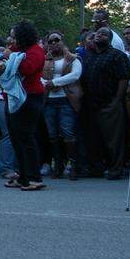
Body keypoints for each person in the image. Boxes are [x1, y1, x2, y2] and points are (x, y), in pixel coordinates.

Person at [0, 21, 46, 190]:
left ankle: (35, 177)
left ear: (22, 36)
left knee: (26, 137)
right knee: (15, 138)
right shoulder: (18, 51)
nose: (10, 39)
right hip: (13, 98)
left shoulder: (36, 51)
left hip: (30, 98)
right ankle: (23, 176)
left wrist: (9, 56)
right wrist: (8, 56)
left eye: (13, 36)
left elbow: (26, 69)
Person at [81, 27, 130, 179]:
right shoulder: (89, 56)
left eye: (103, 34)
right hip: (91, 103)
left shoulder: (117, 55)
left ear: (109, 39)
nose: (99, 35)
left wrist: (117, 99)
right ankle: (95, 168)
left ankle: (116, 168)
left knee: (113, 139)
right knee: (93, 138)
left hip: (109, 102)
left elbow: (123, 78)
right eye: (97, 33)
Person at [41, 31, 82, 179]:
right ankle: (57, 164)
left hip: (66, 99)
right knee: (52, 135)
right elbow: (38, 76)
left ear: (62, 41)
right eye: (50, 41)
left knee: (68, 134)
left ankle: (72, 165)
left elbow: (76, 75)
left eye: (56, 40)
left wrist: (55, 82)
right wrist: (47, 84)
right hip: (49, 100)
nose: (53, 43)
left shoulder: (72, 58)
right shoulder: (44, 59)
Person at [0, 36, 18, 179]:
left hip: (18, 99)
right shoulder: (0, 61)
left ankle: (19, 167)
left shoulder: (20, 58)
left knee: (19, 133)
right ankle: (6, 168)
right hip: (2, 99)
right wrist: (0, 71)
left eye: (12, 42)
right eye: (8, 43)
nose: (10, 45)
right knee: (7, 133)